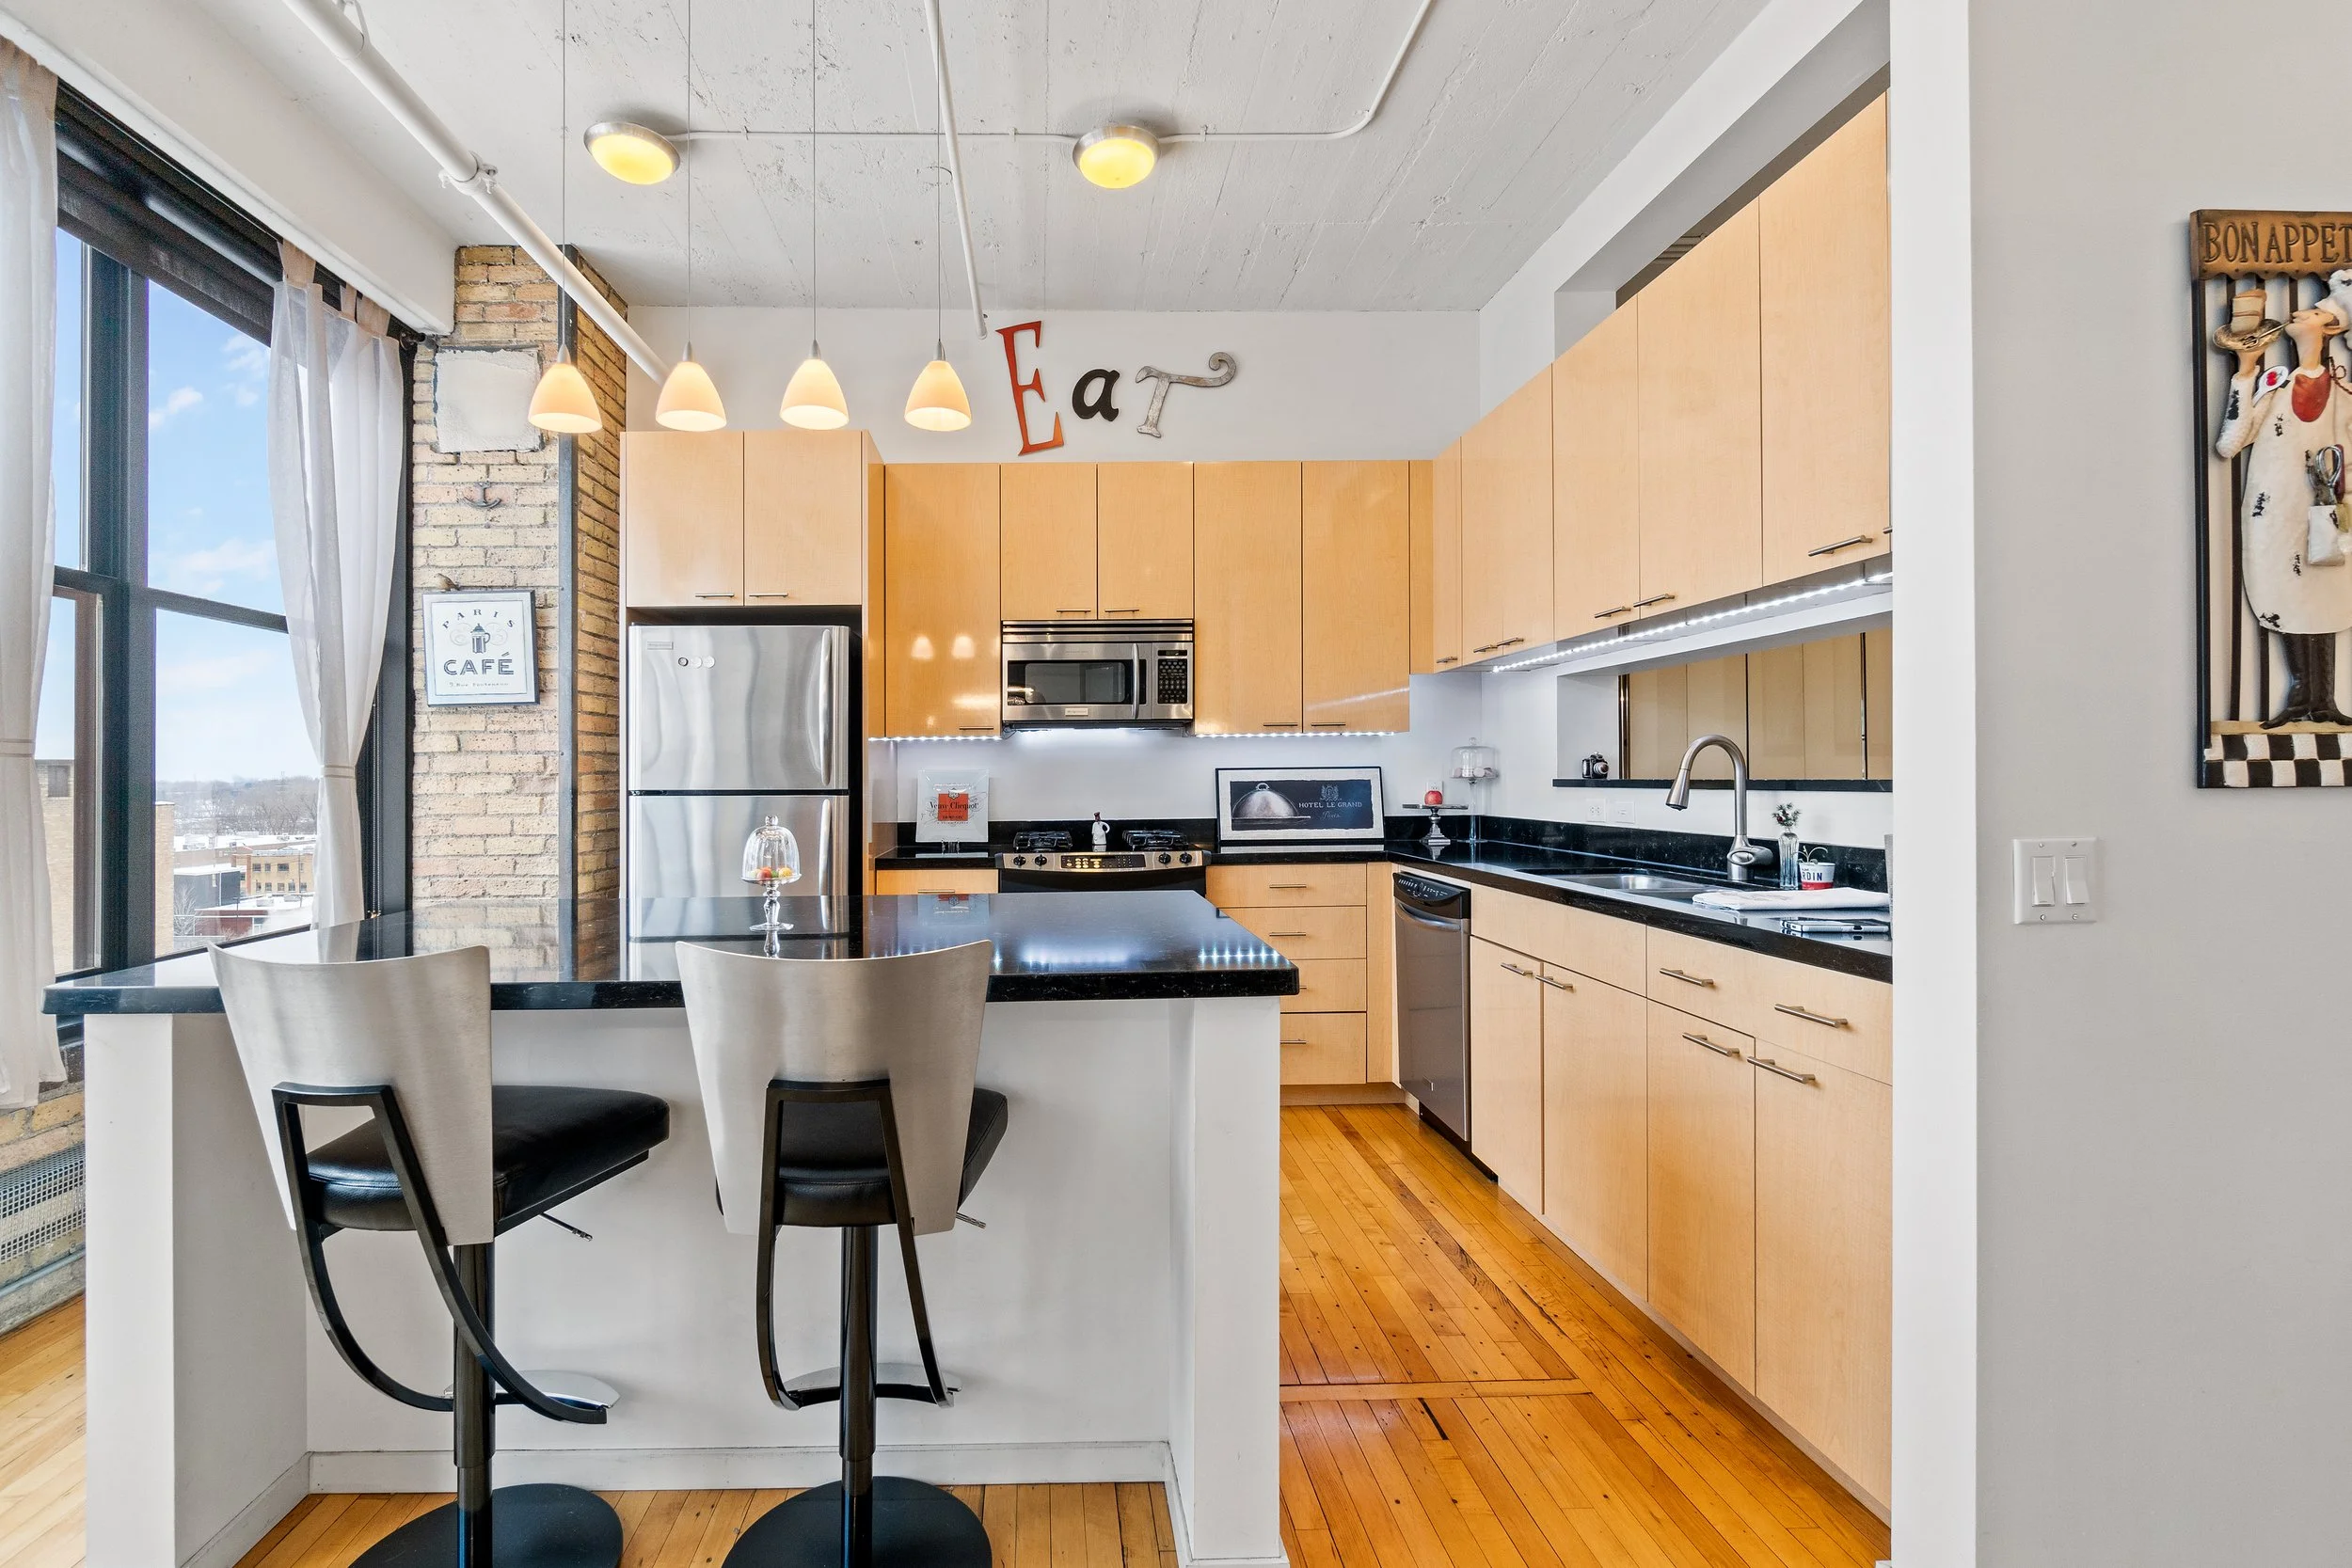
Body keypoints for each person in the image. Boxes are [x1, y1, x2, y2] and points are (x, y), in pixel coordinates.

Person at [2216, 273, 2352, 726]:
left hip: (2329, 510)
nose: (2298, 312)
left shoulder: (2343, 390)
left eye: (2310, 312)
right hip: (2275, 509)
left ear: (2329, 328)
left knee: (2327, 591)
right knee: (2285, 590)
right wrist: (2246, 372)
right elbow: (2230, 443)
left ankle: (2324, 699)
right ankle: (2300, 696)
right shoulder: (2274, 383)